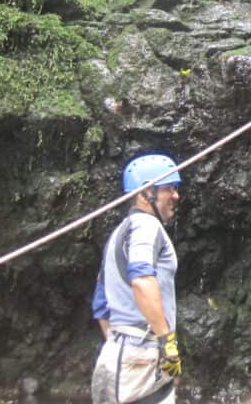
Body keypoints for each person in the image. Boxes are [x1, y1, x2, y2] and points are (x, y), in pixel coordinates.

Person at [91, 154, 183, 404]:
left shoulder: (118, 234)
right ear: (145, 193)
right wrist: (167, 343)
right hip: (143, 355)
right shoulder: (145, 226)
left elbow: (101, 305)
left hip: (115, 356)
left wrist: (121, 347)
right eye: (168, 189)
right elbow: (142, 280)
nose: (176, 196)